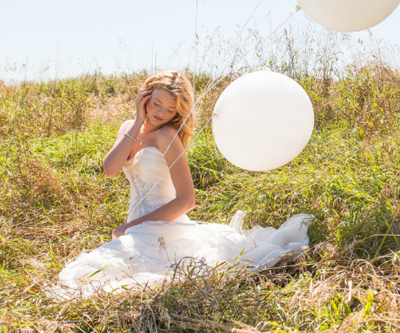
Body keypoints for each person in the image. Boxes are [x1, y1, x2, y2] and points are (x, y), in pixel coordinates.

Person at [53, 70, 314, 298]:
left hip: (163, 224)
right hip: (135, 226)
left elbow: (187, 200)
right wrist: (138, 120)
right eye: (156, 104)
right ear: (144, 96)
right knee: (90, 273)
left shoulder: (167, 136)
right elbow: (110, 169)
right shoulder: (129, 128)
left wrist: (131, 227)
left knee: (112, 276)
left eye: (170, 110)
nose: (161, 114)